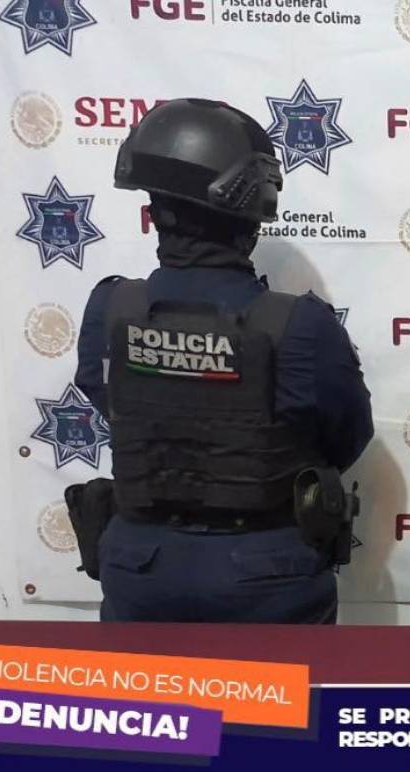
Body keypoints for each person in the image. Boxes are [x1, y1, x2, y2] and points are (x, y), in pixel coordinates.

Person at [71, 98, 373, 623]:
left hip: (140, 566)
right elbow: (347, 436)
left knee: (146, 685)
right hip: (266, 574)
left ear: (153, 210)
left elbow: (108, 404)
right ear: (253, 209)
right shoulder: (301, 325)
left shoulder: (110, 308)